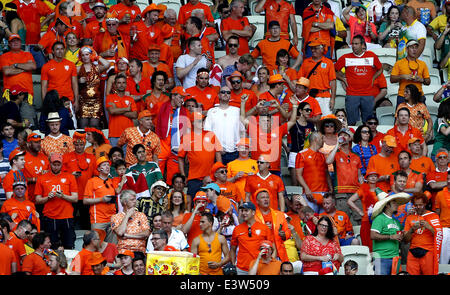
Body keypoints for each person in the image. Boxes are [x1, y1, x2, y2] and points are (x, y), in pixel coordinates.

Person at [335, 35, 383, 125]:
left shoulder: (371, 56)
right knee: (351, 122)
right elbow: (334, 71)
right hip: (352, 94)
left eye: (356, 44)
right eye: (352, 44)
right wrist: (343, 79)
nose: (353, 46)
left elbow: (380, 69)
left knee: (367, 122)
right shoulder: (345, 57)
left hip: (368, 94)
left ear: (362, 45)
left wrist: (373, 78)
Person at [35, 153, 78, 249]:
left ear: (62, 164)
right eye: (54, 164)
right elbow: (37, 200)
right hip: (50, 216)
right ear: (49, 164)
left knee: (69, 244)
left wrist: (63, 196)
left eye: (58, 164)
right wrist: (47, 197)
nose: (56, 167)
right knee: (51, 245)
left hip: (66, 215)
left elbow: (75, 198)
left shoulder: (70, 177)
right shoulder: (42, 178)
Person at [178, 111, 223, 199]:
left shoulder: (211, 135)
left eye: (203, 120)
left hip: (210, 177)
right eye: (199, 121)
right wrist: (183, 175)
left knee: (212, 202)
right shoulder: (187, 137)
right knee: (192, 201)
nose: (202, 123)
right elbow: (180, 157)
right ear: (192, 122)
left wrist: (218, 173)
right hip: (194, 178)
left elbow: (218, 154)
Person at [326, 128, 364, 225]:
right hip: (341, 194)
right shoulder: (336, 153)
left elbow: (360, 176)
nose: (343, 137)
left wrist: (364, 190)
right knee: (342, 220)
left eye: (346, 135)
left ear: (350, 138)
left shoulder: (356, 155)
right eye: (341, 135)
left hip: (355, 193)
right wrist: (337, 146)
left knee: (358, 220)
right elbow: (328, 161)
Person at [370, 190, 411, 275]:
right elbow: (373, 235)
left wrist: (409, 229)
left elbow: (404, 238)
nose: (397, 204)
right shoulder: (379, 218)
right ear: (387, 205)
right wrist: (391, 237)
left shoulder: (396, 222)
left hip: (395, 258)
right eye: (394, 202)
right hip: (381, 257)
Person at [155, 87, 189, 185]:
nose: (183, 101)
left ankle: (171, 194)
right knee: (158, 173)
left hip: (176, 146)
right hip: (162, 143)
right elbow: (150, 120)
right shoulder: (160, 106)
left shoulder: (185, 111)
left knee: (173, 176)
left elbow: (187, 132)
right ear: (173, 96)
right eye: (181, 97)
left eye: (184, 98)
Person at [403, 192, 443, 275]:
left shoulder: (433, 216)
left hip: (428, 252)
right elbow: (405, 241)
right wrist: (412, 230)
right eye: (416, 205)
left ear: (425, 203)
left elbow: (439, 235)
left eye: (420, 205)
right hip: (412, 252)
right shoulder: (410, 217)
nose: (418, 207)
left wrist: (429, 227)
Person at [230, 202, 273, 275]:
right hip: (242, 269)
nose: (243, 213)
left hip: (260, 267)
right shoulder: (237, 229)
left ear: (253, 212)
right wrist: (233, 264)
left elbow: (272, 248)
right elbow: (233, 249)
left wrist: (270, 264)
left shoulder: (264, 228)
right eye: (242, 211)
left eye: (246, 210)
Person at [203, 86, 243, 166]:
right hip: (217, 153)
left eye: (228, 92)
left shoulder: (237, 110)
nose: (225, 94)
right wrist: (216, 148)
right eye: (223, 92)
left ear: (230, 96)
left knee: (234, 176)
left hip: (235, 152)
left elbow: (242, 130)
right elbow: (207, 133)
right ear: (218, 95)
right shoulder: (212, 111)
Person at [296, 131, 333, 213]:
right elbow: (298, 175)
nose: (324, 140)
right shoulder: (302, 154)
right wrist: (307, 189)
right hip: (310, 192)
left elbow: (326, 173)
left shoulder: (322, 155)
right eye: (322, 138)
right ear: (316, 139)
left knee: (324, 220)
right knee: (310, 219)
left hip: (324, 193)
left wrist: (330, 188)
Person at [83, 157, 117, 244]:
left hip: (112, 219)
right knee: (97, 246)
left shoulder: (111, 181)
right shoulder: (92, 181)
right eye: (104, 165)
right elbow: (85, 201)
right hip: (98, 219)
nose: (107, 167)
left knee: (111, 246)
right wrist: (102, 199)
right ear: (98, 168)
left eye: (108, 165)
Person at [297, 38, 336, 116]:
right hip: (310, 97)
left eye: (315, 48)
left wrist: (332, 99)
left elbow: (333, 81)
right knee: (311, 121)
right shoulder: (306, 62)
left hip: (325, 97)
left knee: (326, 121)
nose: (313, 50)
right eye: (312, 48)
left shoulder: (328, 62)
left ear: (322, 49)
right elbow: (300, 80)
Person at [41, 41, 79, 118]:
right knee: (54, 125)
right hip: (53, 101)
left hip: (68, 100)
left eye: (62, 49)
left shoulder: (71, 65)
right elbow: (43, 87)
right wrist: (45, 103)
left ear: (64, 50)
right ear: (53, 51)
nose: (60, 51)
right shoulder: (46, 66)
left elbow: (75, 84)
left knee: (70, 126)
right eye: (57, 49)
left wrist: (76, 101)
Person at [77, 46, 110, 129]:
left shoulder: (97, 68)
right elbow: (71, 82)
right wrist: (78, 81)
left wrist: (97, 57)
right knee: (83, 125)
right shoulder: (78, 69)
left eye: (87, 54)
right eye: (83, 55)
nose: (85, 57)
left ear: (90, 55)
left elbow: (107, 64)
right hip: (83, 101)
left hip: (96, 101)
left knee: (94, 125)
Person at [253, 188, 291, 262]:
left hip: (279, 254)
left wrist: (284, 235)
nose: (266, 199)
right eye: (263, 197)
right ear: (257, 201)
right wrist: (264, 229)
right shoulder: (253, 216)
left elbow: (288, 231)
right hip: (261, 253)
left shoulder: (280, 214)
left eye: (267, 197)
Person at [391, 40, 431, 107]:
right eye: (412, 48)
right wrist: (402, 76)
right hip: (403, 95)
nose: (414, 50)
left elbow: (428, 81)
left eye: (416, 48)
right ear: (406, 49)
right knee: (402, 117)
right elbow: (392, 79)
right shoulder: (399, 63)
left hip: (419, 95)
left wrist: (421, 80)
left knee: (422, 117)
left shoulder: (422, 64)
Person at [105, 73, 138, 147]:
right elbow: (112, 111)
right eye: (119, 83)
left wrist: (117, 110)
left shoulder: (130, 99)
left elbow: (135, 115)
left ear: (126, 85)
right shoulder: (110, 97)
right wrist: (127, 109)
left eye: (123, 83)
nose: (121, 85)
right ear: (115, 85)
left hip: (128, 135)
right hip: (114, 135)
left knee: (128, 158)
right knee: (115, 158)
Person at [0, 34, 35, 100]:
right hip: (10, 93)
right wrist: (24, 69)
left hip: (26, 92)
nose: (16, 42)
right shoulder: (4, 56)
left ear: (20, 43)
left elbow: (33, 66)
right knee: (9, 110)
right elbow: (7, 71)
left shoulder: (28, 54)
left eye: (17, 41)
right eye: (13, 41)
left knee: (27, 110)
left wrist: (15, 65)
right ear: (9, 44)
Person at [435, 172, 450, 264]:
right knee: (443, 257)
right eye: (447, 179)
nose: (449, 181)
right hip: (444, 228)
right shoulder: (440, 194)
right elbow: (437, 213)